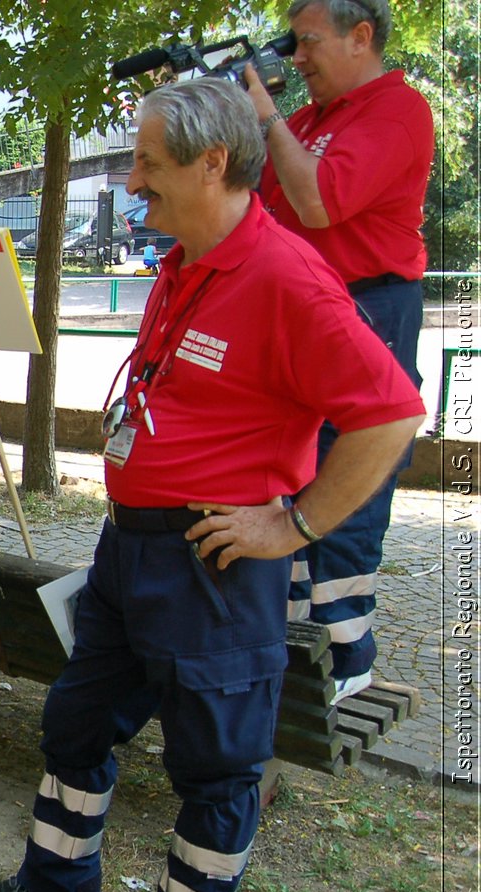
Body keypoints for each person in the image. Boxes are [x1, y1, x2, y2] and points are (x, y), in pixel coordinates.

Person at [0, 80, 424, 892]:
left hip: (214, 567)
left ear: (215, 164)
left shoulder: (288, 278)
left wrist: (293, 524)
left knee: (214, 764)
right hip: (131, 552)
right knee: (79, 722)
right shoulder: (184, 261)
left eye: (148, 163)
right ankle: (60, 882)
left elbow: (390, 416)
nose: (133, 180)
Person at [243, 0, 434, 702]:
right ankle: (291, 636)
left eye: (308, 43)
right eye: (291, 45)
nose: (296, 59)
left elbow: (320, 201)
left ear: (362, 37)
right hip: (303, 307)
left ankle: (345, 654)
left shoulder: (397, 110)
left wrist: (265, 114)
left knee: (350, 473)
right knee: (291, 470)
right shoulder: (310, 121)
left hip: (370, 304)